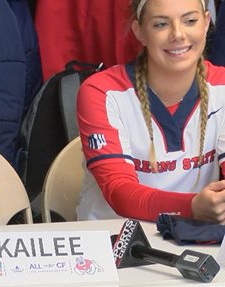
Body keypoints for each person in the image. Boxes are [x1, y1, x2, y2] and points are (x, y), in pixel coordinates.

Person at [77, 0, 225, 223]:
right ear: (140, 32)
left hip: (196, 241)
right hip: (112, 244)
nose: (178, 34)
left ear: (206, 22)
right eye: (160, 24)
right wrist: (192, 207)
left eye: (190, 21)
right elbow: (119, 193)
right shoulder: (101, 91)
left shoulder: (221, 86)